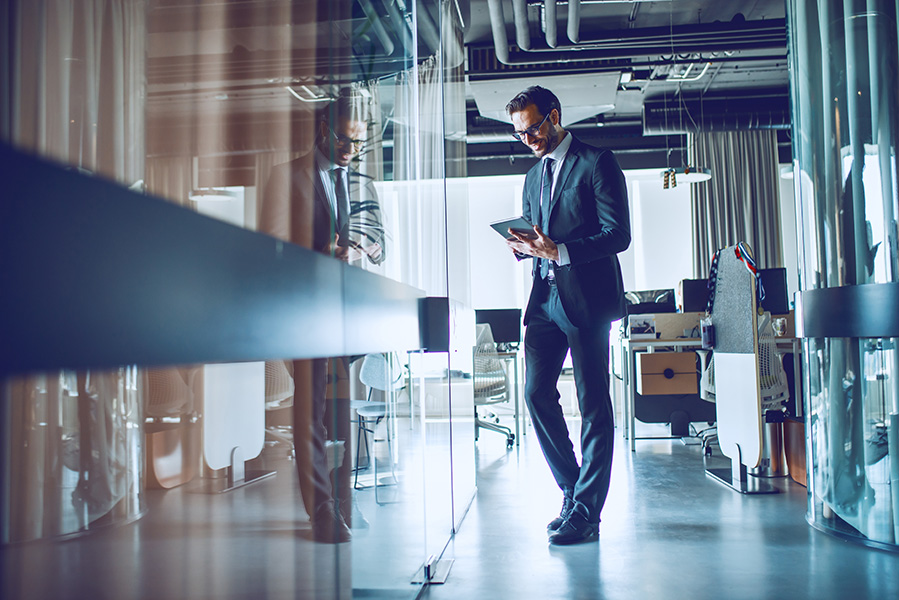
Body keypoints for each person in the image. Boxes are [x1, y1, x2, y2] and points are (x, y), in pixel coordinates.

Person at [504, 86, 630, 545]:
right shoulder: (532, 176)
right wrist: (525, 249)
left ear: (554, 116)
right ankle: (573, 492)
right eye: (520, 134)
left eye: (533, 128)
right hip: (543, 301)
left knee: (594, 404)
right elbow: (538, 236)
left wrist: (560, 251)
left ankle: (587, 512)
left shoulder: (598, 162)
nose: (529, 139)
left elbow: (618, 236)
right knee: (537, 394)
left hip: (587, 301)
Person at [259, 91, 385, 543]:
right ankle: (322, 512)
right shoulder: (285, 177)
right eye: (346, 142)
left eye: (358, 143)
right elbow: (271, 247)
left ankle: (342, 502)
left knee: (339, 414)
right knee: (308, 414)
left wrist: (365, 249)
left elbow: (374, 239)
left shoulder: (354, 182)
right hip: (304, 313)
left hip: (346, 317)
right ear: (323, 130)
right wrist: (326, 252)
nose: (352, 151)